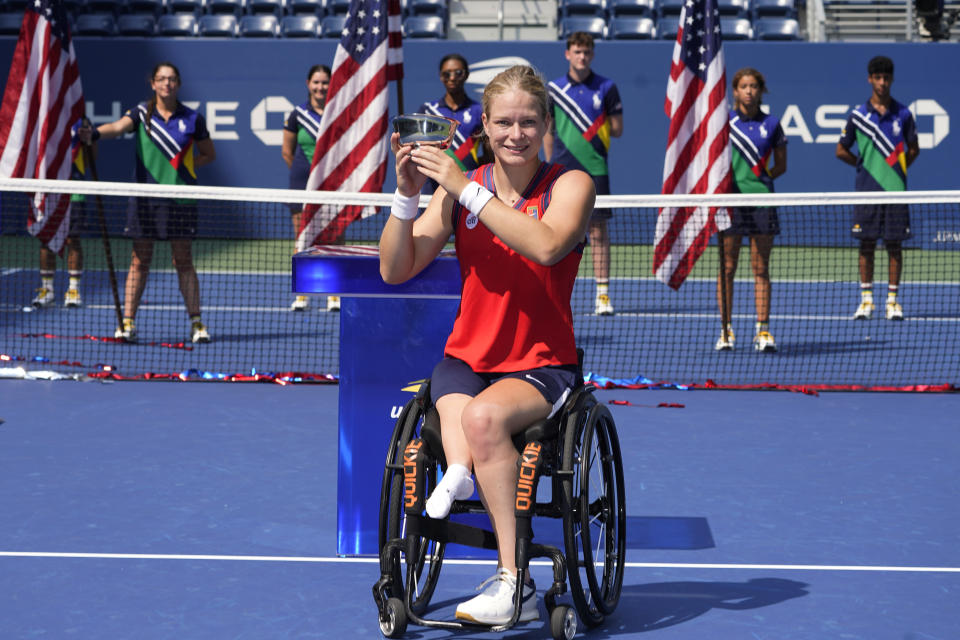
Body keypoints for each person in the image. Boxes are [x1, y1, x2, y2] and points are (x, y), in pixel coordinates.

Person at [379, 65, 595, 626]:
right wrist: (406, 197)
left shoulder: (570, 185)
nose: (515, 134)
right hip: (465, 359)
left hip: (542, 364)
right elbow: (395, 267)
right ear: (485, 125)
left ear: (547, 123)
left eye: (528, 121)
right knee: (459, 406)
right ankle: (459, 471)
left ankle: (512, 580)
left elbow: (546, 246)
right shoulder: (458, 192)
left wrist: (463, 188)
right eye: (503, 122)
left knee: (481, 420)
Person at [79, 62, 216, 343]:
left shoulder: (192, 118)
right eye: (161, 79)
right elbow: (117, 128)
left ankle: (197, 324)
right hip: (145, 201)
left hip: (181, 200)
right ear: (153, 84)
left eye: (172, 79)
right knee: (139, 261)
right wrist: (94, 134)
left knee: (184, 261)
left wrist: (185, 168)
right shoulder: (142, 113)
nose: (167, 84)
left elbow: (208, 154)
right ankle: (127, 323)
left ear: (178, 84)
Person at [542, 31, 623, 316]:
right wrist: (551, 162)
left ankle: (602, 294)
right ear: (567, 54)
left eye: (587, 52)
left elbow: (618, 129)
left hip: (596, 169)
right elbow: (547, 131)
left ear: (592, 55)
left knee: (598, 231)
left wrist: (595, 123)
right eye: (577, 51)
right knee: (558, 232)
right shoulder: (553, 89)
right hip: (562, 170)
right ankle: (557, 290)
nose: (582, 56)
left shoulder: (607, 87)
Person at [836, 56, 919, 322]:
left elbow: (914, 148)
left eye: (886, 78)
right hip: (867, 191)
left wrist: (897, 169)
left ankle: (892, 301)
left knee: (894, 246)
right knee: (866, 245)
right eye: (878, 78)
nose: (882, 83)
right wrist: (864, 166)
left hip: (895, 190)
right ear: (870, 79)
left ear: (891, 79)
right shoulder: (858, 116)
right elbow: (841, 150)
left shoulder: (903, 114)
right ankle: (866, 300)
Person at [715, 68, 788, 353]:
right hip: (729, 203)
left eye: (754, 86)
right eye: (744, 86)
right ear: (735, 91)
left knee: (761, 269)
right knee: (727, 268)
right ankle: (726, 330)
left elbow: (781, 165)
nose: (749, 91)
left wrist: (758, 180)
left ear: (761, 90)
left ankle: (763, 330)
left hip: (761, 203)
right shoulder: (723, 123)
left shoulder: (772, 124)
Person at [282, 64, 335, 312]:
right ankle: (303, 294)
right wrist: (309, 177)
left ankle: (334, 293)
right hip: (301, 185)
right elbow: (287, 151)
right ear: (308, 84)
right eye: (316, 82)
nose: (320, 87)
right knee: (302, 239)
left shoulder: (338, 113)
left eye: (325, 82)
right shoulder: (296, 114)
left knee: (333, 239)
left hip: (333, 186)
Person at [30, 117, 93, 309]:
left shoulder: (81, 121)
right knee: (46, 240)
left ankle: (73, 290)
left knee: (72, 240)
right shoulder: (41, 118)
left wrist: (88, 140)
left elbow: (92, 159)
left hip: (74, 191)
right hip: (47, 190)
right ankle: (47, 289)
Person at [416, 53, 488, 192]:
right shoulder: (427, 110)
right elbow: (418, 151)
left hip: (468, 185)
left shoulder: (479, 111)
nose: (452, 78)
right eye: (446, 74)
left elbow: (488, 154)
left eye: (458, 73)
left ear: (466, 75)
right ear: (441, 77)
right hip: (433, 186)